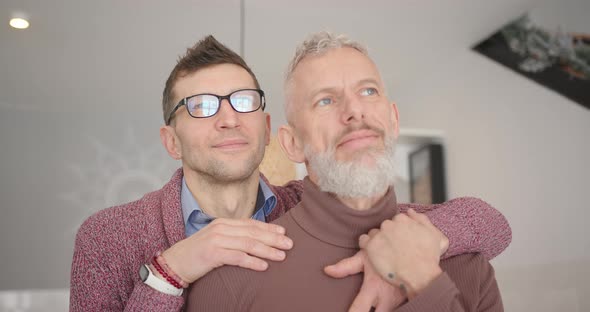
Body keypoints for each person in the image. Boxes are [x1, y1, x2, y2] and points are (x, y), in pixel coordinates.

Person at [70, 35, 511, 311]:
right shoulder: (109, 235)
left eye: (242, 101)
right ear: (171, 141)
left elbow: (486, 221)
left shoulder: (302, 201)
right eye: (201, 106)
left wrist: (402, 254)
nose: (227, 119)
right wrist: (170, 272)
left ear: (268, 131)